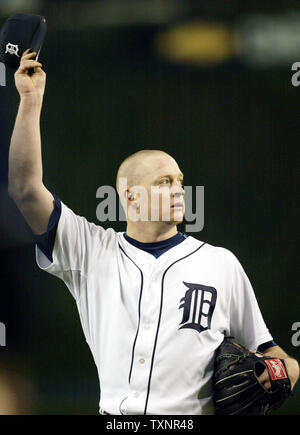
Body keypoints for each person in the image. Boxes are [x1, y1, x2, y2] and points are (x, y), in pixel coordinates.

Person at [8, 50, 299, 415]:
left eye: (180, 181)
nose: (178, 189)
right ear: (129, 196)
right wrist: (31, 100)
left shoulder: (220, 264)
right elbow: (25, 189)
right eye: (163, 182)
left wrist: (282, 371)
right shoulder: (92, 250)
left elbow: (274, 353)